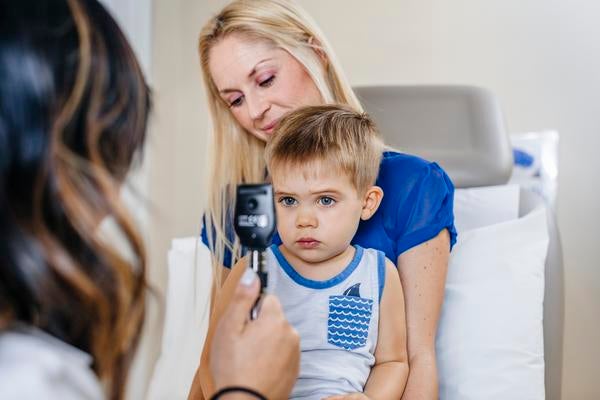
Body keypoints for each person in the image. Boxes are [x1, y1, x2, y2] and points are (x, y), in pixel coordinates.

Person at [0, 1, 300, 399]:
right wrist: (244, 392)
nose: (109, 204)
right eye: (104, 161)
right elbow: (207, 362)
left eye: (265, 79)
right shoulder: (29, 378)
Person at [196, 0, 456, 398]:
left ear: (314, 55)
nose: (255, 110)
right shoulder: (241, 209)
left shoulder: (411, 186)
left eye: (265, 79)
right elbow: (213, 366)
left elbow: (415, 359)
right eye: (234, 99)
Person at [204, 104, 409, 399]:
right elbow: (213, 362)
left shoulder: (379, 273)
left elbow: (393, 362)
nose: (304, 219)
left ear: (367, 203)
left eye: (325, 200)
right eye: (288, 200)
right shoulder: (253, 271)